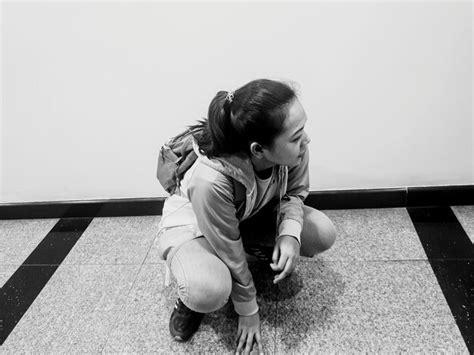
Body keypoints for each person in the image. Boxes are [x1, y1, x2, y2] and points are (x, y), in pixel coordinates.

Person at [157, 78, 337, 354]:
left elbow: (295, 192)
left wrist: (289, 233)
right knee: (207, 290)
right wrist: (248, 309)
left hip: (246, 214)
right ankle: (189, 299)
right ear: (258, 150)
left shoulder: (296, 147)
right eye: (296, 136)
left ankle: (254, 251)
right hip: (199, 228)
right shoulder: (211, 180)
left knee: (322, 233)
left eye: (303, 130)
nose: (306, 139)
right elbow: (227, 245)